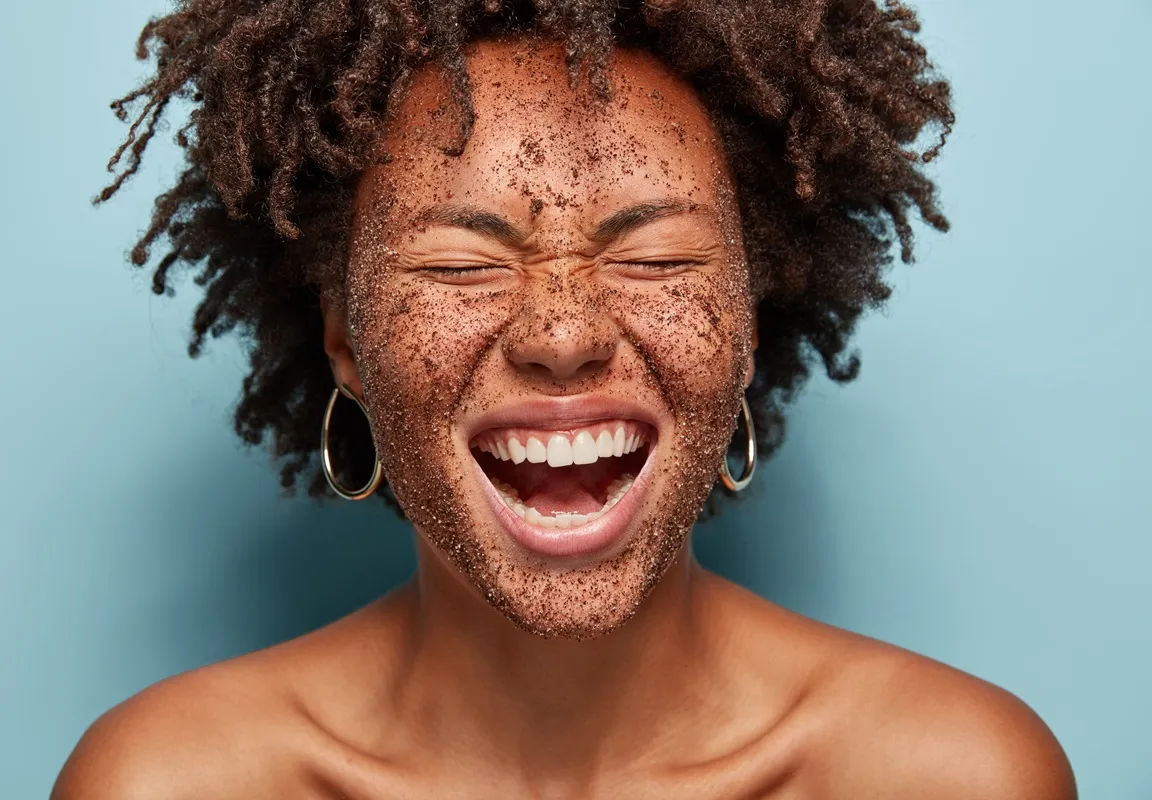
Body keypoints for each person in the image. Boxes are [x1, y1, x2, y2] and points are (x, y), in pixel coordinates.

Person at [53, 1, 1076, 797]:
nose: (561, 335)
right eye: (459, 262)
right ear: (345, 340)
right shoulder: (165, 779)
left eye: (656, 253)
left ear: (752, 317)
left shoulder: (954, 773)